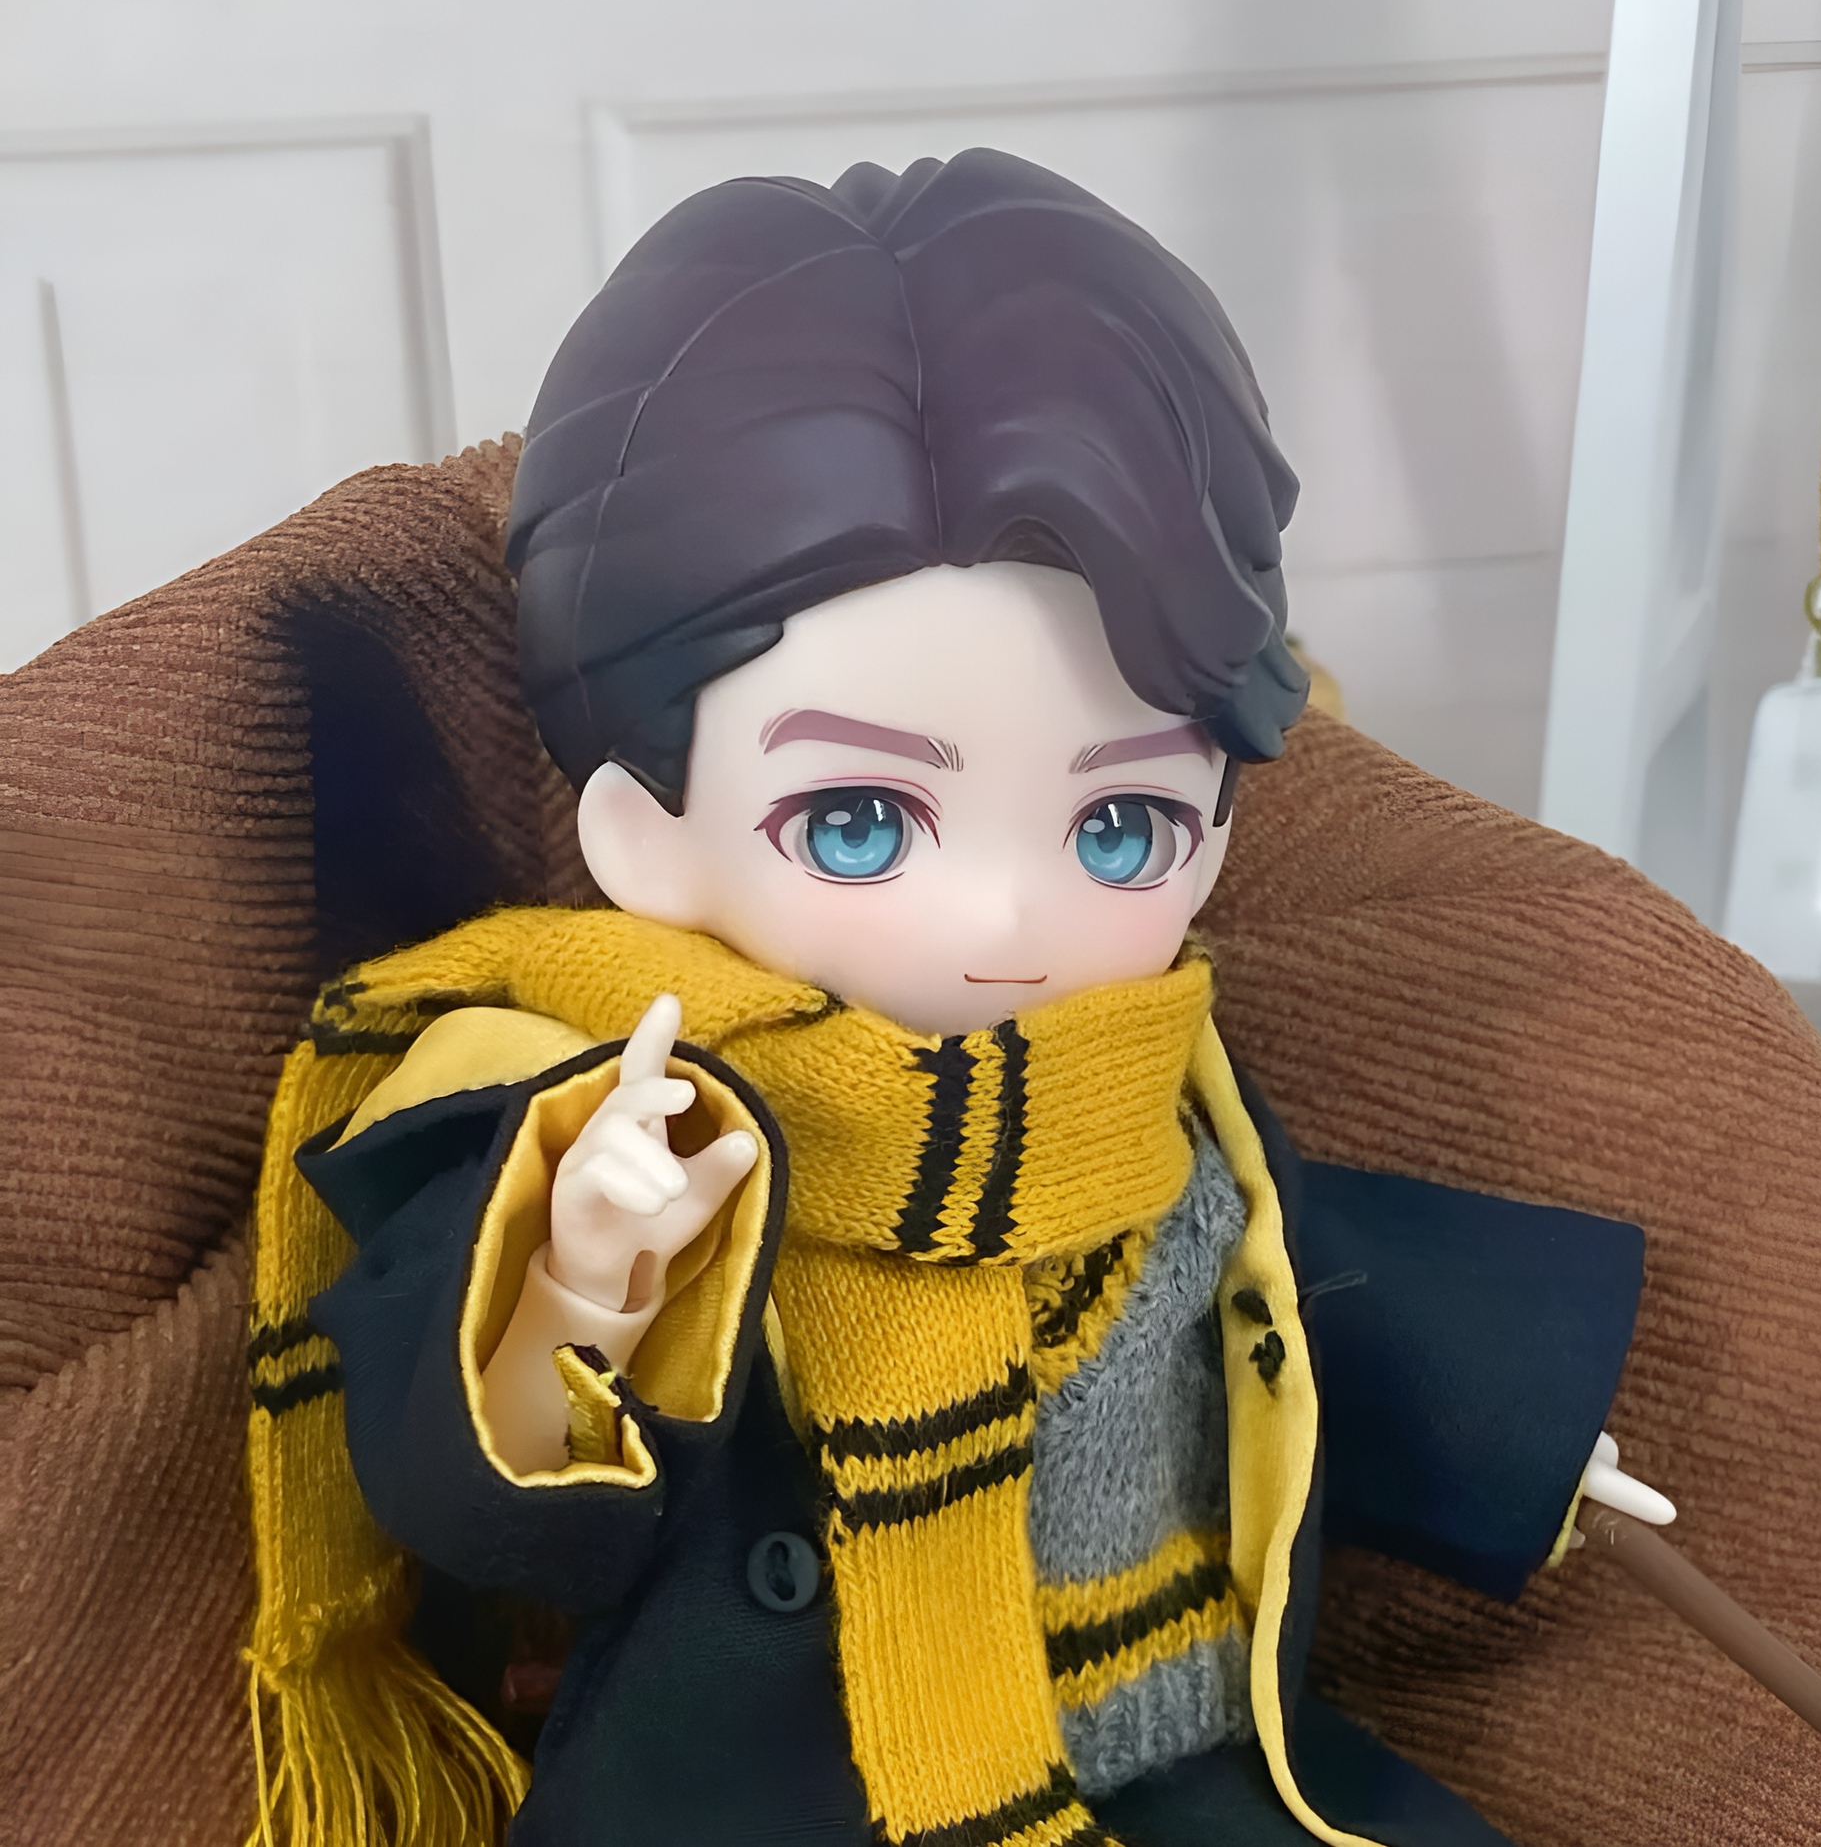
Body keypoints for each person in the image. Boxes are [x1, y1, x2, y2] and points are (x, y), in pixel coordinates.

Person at [257, 150, 1667, 1847]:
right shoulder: (619, 1117)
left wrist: (1523, 1440)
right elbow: (493, 1523)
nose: (1006, 919)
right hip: (799, 1798)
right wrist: (579, 1287)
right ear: (641, 832)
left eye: (1120, 825)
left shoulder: (1149, 1082)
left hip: (1181, 1747)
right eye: (857, 821)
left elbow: (1288, 1280)